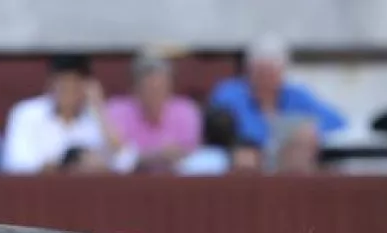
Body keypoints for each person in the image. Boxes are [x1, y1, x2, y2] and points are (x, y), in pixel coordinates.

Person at [0, 53, 133, 174]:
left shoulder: (96, 117)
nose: (68, 91)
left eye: (75, 83)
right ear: (51, 83)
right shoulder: (27, 114)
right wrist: (63, 167)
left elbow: (126, 163)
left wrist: (100, 110)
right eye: (63, 83)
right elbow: (15, 165)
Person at [207, 35, 345, 150]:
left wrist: (302, 131)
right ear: (249, 70)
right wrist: (278, 133)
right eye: (261, 71)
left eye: (272, 71)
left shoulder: (296, 95)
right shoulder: (229, 94)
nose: (266, 78)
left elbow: (336, 121)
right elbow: (226, 131)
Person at [104, 51, 201, 173]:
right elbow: (118, 156)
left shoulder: (186, 110)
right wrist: (155, 157)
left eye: (161, 87)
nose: (156, 94)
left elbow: (189, 154)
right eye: (149, 88)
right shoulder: (116, 110)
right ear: (136, 88)